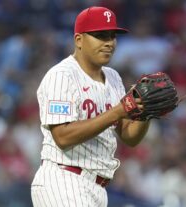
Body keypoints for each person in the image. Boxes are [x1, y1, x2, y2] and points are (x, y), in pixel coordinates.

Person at [31, 6, 172, 207]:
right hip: (63, 179)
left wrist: (145, 113)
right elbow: (62, 136)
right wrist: (116, 111)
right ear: (79, 40)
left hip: (97, 187)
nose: (109, 43)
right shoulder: (62, 76)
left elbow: (129, 136)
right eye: (100, 36)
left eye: (112, 36)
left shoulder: (114, 78)